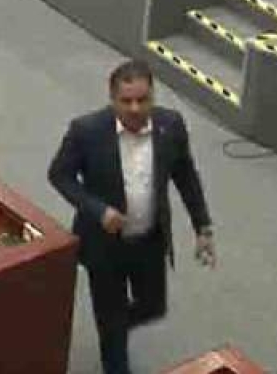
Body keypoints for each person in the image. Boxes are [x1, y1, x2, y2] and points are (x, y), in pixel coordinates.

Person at [49, 61, 215, 374]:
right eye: (126, 101)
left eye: (143, 99)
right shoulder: (86, 131)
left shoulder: (171, 126)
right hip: (104, 246)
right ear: (112, 99)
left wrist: (202, 227)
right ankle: (112, 342)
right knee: (112, 327)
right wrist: (98, 210)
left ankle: (112, 328)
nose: (135, 108)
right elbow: (60, 175)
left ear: (153, 96)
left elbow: (185, 176)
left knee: (153, 306)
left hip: (149, 241)